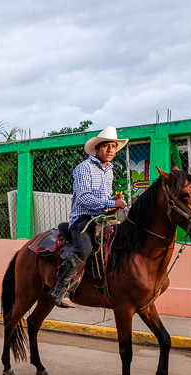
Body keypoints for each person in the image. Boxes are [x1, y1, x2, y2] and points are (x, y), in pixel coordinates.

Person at [51, 126, 129, 308]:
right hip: (82, 220)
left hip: (101, 220)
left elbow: (103, 199)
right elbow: (84, 199)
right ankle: (60, 289)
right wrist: (111, 203)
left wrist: (113, 200)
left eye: (113, 146)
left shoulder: (109, 170)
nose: (110, 150)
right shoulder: (84, 168)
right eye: (106, 146)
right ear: (97, 148)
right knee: (84, 250)